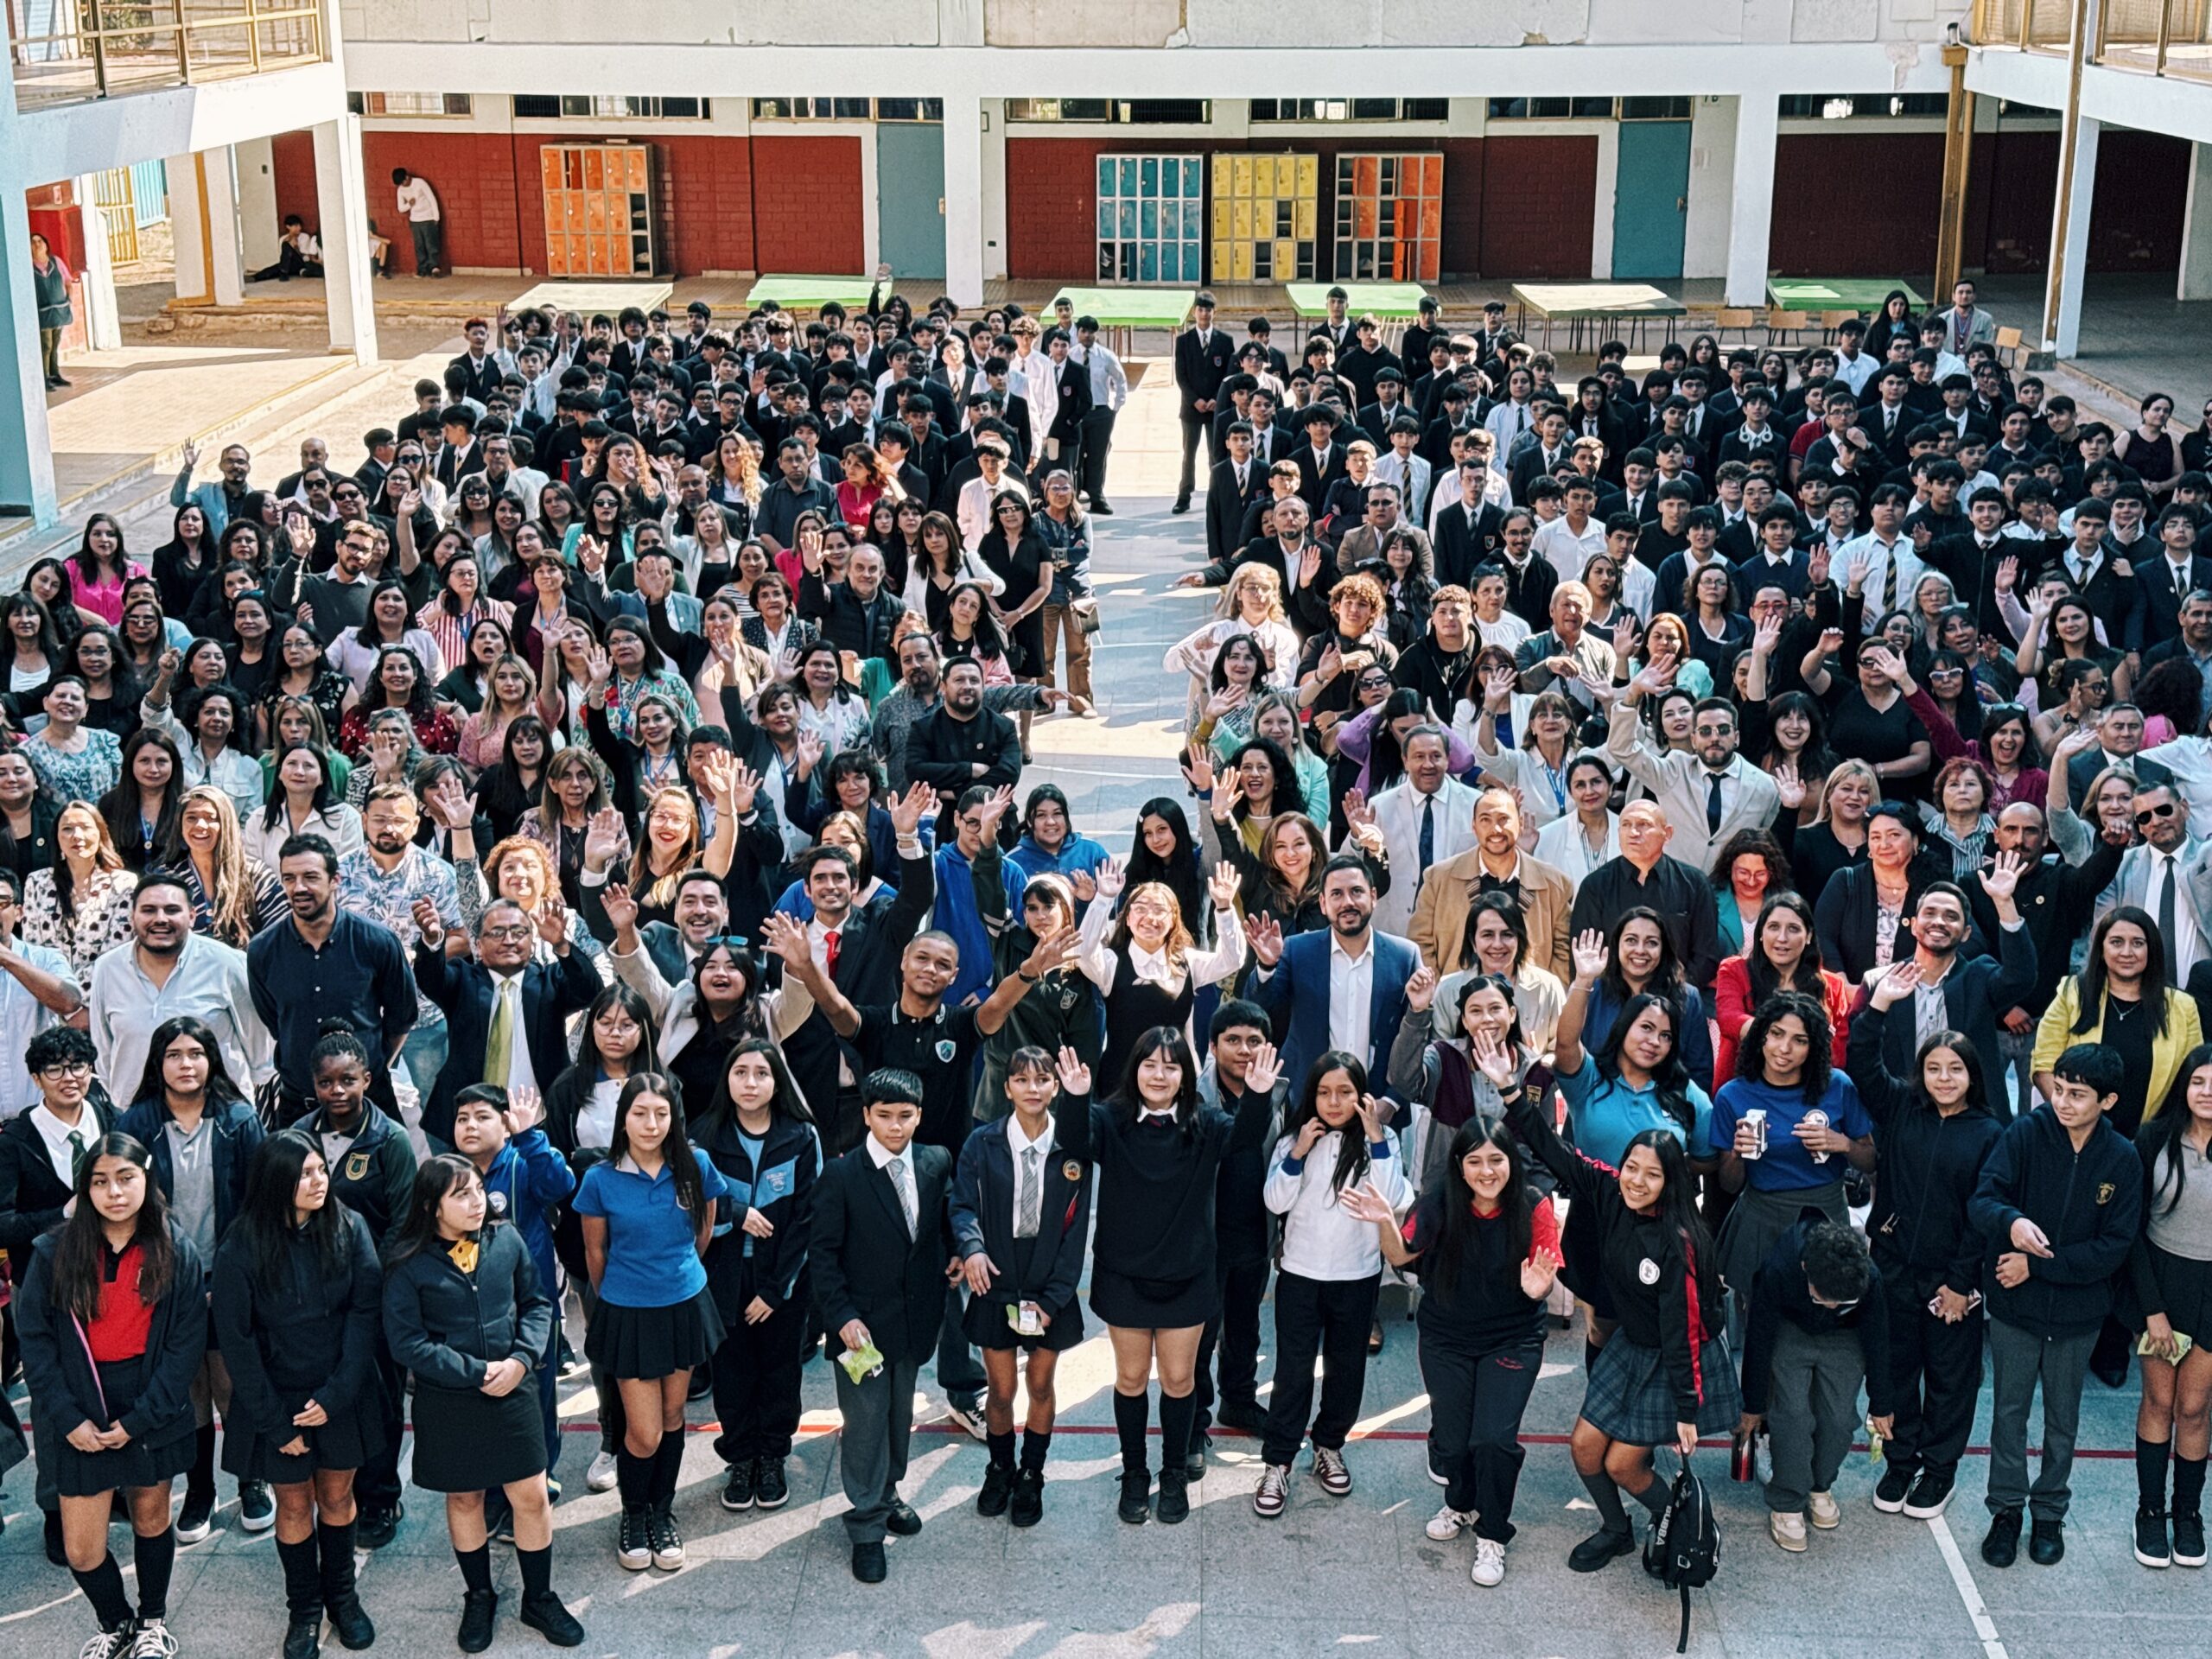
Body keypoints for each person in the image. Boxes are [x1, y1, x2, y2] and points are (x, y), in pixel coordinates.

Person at [1498, 1036, 1740, 1572]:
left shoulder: (1681, 1241)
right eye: (1633, 1167)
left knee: (1625, 1466)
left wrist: (1686, 1409)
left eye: (1652, 1175)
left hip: (1677, 1357)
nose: (1637, 1181)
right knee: (1586, 1450)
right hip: (1632, 1343)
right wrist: (1511, 1092)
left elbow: (1684, 1327)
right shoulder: (1609, 1189)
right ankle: (1617, 1530)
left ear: (1670, 1181)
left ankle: (1687, 1522)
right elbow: (1554, 1151)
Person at [1344, 1115, 1562, 1587]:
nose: (1488, 1171)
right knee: (1452, 1435)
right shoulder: (1439, 1200)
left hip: (1512, 1338)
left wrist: (1536, 1288)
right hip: (1446, 1336)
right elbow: (1402, 1255)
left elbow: (1544, 1277)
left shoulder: (1534, 1206)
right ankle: (1460, 1505)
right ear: (1459, 1167)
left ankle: (1493, 1533)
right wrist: (1385, 1220)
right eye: (1476, 1161)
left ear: (1511, 1163)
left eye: (1497, 1160)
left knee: (1493, 1439)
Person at [380, 1152, 585, 1651]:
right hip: (450, 1400)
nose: (478, 1201)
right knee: (466, 1498)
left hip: (514, 1389)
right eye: (462, 1194)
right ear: (433, 1207)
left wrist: (520, 1360)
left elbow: (537, 1303)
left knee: (531, 1496)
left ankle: (538, 1597)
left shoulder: (506, 1239)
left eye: (477, 1189)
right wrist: (475, 1373)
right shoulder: (407, 1263)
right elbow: (408, 1343)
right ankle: (479, 1596)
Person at [1079, 1027, 1279, 1524]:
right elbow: (1073, 1138)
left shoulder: (1206, 1123)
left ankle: (1172, 1473)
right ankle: (1133, 1474)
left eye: (1171, 1066)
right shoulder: (1111, 1119)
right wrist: (1075, 1097)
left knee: (1178, 1378)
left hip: (1187, 1275)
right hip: (1124, 1274)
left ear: (1185, 1075)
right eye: (1150, 1064)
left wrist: (1257, 1094)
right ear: (1135, 1070)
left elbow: (1248, 1137)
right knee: (1129, 1379)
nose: (1159, 1074)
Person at [16, 1132, 205, 1659]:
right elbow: (36, 1343)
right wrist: (67, 1417)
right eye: (99, 1182)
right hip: (79, 1406)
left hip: (151, 1403)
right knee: (81, 1548)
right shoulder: (54, 1251)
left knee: (151, 1517)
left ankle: (151, 1621)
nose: (114, 1192)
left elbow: (184, 1350)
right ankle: (115, 1620)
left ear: (147, 1180)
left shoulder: (175, 1249)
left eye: (126, 1178)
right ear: (85, 1189)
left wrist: (141, 1419)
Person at [210, 1128, 382, 1659]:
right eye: (305, 1173)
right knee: (292, 1504)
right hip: (276, 1397)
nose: (319, 1181)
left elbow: (364, 1313)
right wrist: (275, 1423)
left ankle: (343, 1598)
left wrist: (337, 1393)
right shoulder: (241, 1245)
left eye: (321, 1170)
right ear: (276, 1180)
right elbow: (236, 1343)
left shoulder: (349, 1226)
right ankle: (303, 1609)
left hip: (339, 1391)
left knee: (337, 1497)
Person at [1973, 1044, 2143, 1568]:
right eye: (2060, 1089)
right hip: (2015, 1310)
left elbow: (2113, 1249)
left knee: (2063, 1420)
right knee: (2008, 1414)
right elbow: (1984, 1199)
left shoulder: (2123, 1159)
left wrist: (2038, 1265)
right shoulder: (2025, 1133)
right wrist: (2011, 1222)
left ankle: (2049, 1511)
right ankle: (2005, 1511)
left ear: (2107, 1100)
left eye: (2078, 1095)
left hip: (2077, 1317)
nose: (2063, 1102)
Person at [1848, 971, 2005, 1522]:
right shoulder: (1900, 1110)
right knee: (1896, 1369)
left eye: (1955, 1069)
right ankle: (1900, 1459)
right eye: (1934, 1068)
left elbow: (1983, 1219)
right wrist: (1879, 1006)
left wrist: (1962, 1285)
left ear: (1972, 1076)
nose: (1943, 1078)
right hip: (1892, 1269)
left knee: (1950, 1378)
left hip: (1950, 1283)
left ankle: (1939, 1469)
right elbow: (1863, 1061)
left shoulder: (1990, 1134)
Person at [114, 1013, 270, 1547]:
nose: (186, 1064)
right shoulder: (136, 1123)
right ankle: (200, 1489)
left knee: (232, 1380)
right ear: (159, 1064)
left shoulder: (239, 1119)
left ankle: (251, 1480)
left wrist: (226, 1277)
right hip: (165, 1279)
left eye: (196, 1054)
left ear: (212, 1061)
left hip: (229, 1275)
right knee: (189, 1387)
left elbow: (259, 1204)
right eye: (175, 1055)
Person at [572, 1072, 728, 1573]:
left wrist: (675, 1274)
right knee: (643, 1433)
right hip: (628, 1312)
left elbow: (703, 1231)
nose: (651, 1123)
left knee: (672, 1418)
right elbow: (595, 1254)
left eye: (661, 1114)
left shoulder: (695, 1165)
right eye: (640, 1113)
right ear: (624, 1118)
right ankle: (633, 1514)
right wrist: (626, 1289)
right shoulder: (599, 1178)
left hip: (682, 1305)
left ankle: (662, 1513)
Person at [808, 1068, 953, 1582]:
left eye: (905, 1116)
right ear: (866, 1115)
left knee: (897, 1420)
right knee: (866, 1427)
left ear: (919, 1114)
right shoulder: (842, 1176)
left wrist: (957, 1256)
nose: (896, 1126)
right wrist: (842, 1317)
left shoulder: (935, 1162)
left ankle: (888, 1492)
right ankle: (866, 1526)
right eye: (885, 1116)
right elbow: (822, 1255)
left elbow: (941, 1228)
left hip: (913, 1323)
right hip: (860, 1332)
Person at [1251, 1052, 1409, 1517]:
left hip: (1357, 1277)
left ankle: (1328, 1444)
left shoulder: (1383, 1141)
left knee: (1346, 1371)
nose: (1334, 1102)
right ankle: (1278, 1461)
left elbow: (1395, 1197)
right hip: (1300, 1275)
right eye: (1324, 1092)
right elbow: (1274, 1199)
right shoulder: (1294, 1139)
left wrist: (1377, 1136)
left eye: (1344, 1092)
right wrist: (1298, 1152)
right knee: (1293, 1373)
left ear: (1361, 1095)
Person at [950, 1045, 1095, 1528]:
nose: (1033, 1089)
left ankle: (1032, 1473)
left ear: (1055, 1086)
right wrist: (971, 1248)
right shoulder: (982, 1143)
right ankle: (1000, 1467)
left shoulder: (1073, 1150)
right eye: (1022, 1080)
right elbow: (963, 1206)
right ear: (1007, 1086)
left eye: (1042, 1080)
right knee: (1001, 1387)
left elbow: (1076, 1236)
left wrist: (1055, 1298)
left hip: (1047, 1281)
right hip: (998, 1277)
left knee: (1039, 1383)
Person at [692, 1039, 821, 1516]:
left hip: (781, 1284)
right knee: (732, 1372)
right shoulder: (705, 1135)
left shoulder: (801, 1137)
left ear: (776, 1082)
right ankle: (741, 1457)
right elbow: (690, 1201)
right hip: (724, 1277)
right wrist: (736, 1212)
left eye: (761, 1074)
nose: (750, 1083)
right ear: (727, 1079)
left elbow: (809, 1218)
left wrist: (774, 1290)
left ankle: (772, 1457)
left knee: (780, 1372)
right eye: (740, 1072)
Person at [1712, 992, 1877, 1344]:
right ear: (1761, 1037)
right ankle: (1762, 1396)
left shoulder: (1837, 1086)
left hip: (1826, 1212)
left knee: (1827, 1318)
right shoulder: (1732, 1095)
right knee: (1765, 1324)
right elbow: (1728, 1184)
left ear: (1813, 1047)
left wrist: (1842, 1144)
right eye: (1776, 1034)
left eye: (1799, 1039)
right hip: (1762, 1212)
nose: (1784, 1048)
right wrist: (1737, 1154)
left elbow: (1870, 1159)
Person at [445, 1082, 576, 1518]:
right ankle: (494, 1489)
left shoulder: (522, 1163)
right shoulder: (448, 1174)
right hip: (475, 1315)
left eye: (482, 1117)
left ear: (505, 1123)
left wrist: (530, 1135)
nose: (470, 1126)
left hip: (531, 1310)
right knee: (484, 1399)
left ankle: (540, 1477)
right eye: (463, 1118)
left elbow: (560, 1184)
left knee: (535, 1399)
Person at [1738, 1215, 1892, 1554]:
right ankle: (1787, 1500)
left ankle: (1819, 1486)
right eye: (1824, 1297)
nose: (1833, 1306)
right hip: (1790, 1330)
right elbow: (1760, 1337)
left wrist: (1882, 1404)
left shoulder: (1869, 1280)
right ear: (1805, 1268)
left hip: (1845, 1337)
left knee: (1839, 1419)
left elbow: (1878, 1339)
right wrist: (1752, 1406)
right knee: (1792, 1416)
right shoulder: (1780, 1268)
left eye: (1842, 1300)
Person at [247, 835, 417, 1126]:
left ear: (335, 879)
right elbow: (276, 1022)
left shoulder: (376, 941)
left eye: (310, 877)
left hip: (370, 1102)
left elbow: (401, 1018)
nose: (298, 888)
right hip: (297, 1104)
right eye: (289, 878)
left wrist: (364, 1068)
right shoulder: (263, 950)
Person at [2127, 1046, 2212, 1570]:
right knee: (2159, 1401)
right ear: (2184, 1086)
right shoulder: (2154, 1139)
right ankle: (2151, 1511)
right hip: (2160, 1281)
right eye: (2200, 1081)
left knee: (2195, 1406)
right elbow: (2132, 1231)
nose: (2208, 1092)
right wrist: (2151, 1309)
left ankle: (2188, 1514)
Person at [31, 232, 73, 388]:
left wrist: (69, 298)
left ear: (46, 244)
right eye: (33, 242)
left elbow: (67, 281)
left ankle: (55, 374)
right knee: (46, 345)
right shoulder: (29, 267)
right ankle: (45, 377)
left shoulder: (56, 262)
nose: (37, 245)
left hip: (59, 310)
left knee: (55, 343)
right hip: (43, 312)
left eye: (39, 241)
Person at [392, 168, 445, 277]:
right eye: (401, 184)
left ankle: (434, 267)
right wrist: (409, 205)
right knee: (419, 245)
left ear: (407, 177)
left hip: (428, 217)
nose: (403, 185)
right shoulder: (401, 190)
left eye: (404, 182)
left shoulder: (420, 183)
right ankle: (422, 268)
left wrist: (436, 217)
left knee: (431, 244)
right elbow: (401, 208)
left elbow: (431, 198)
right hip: (415, 220)